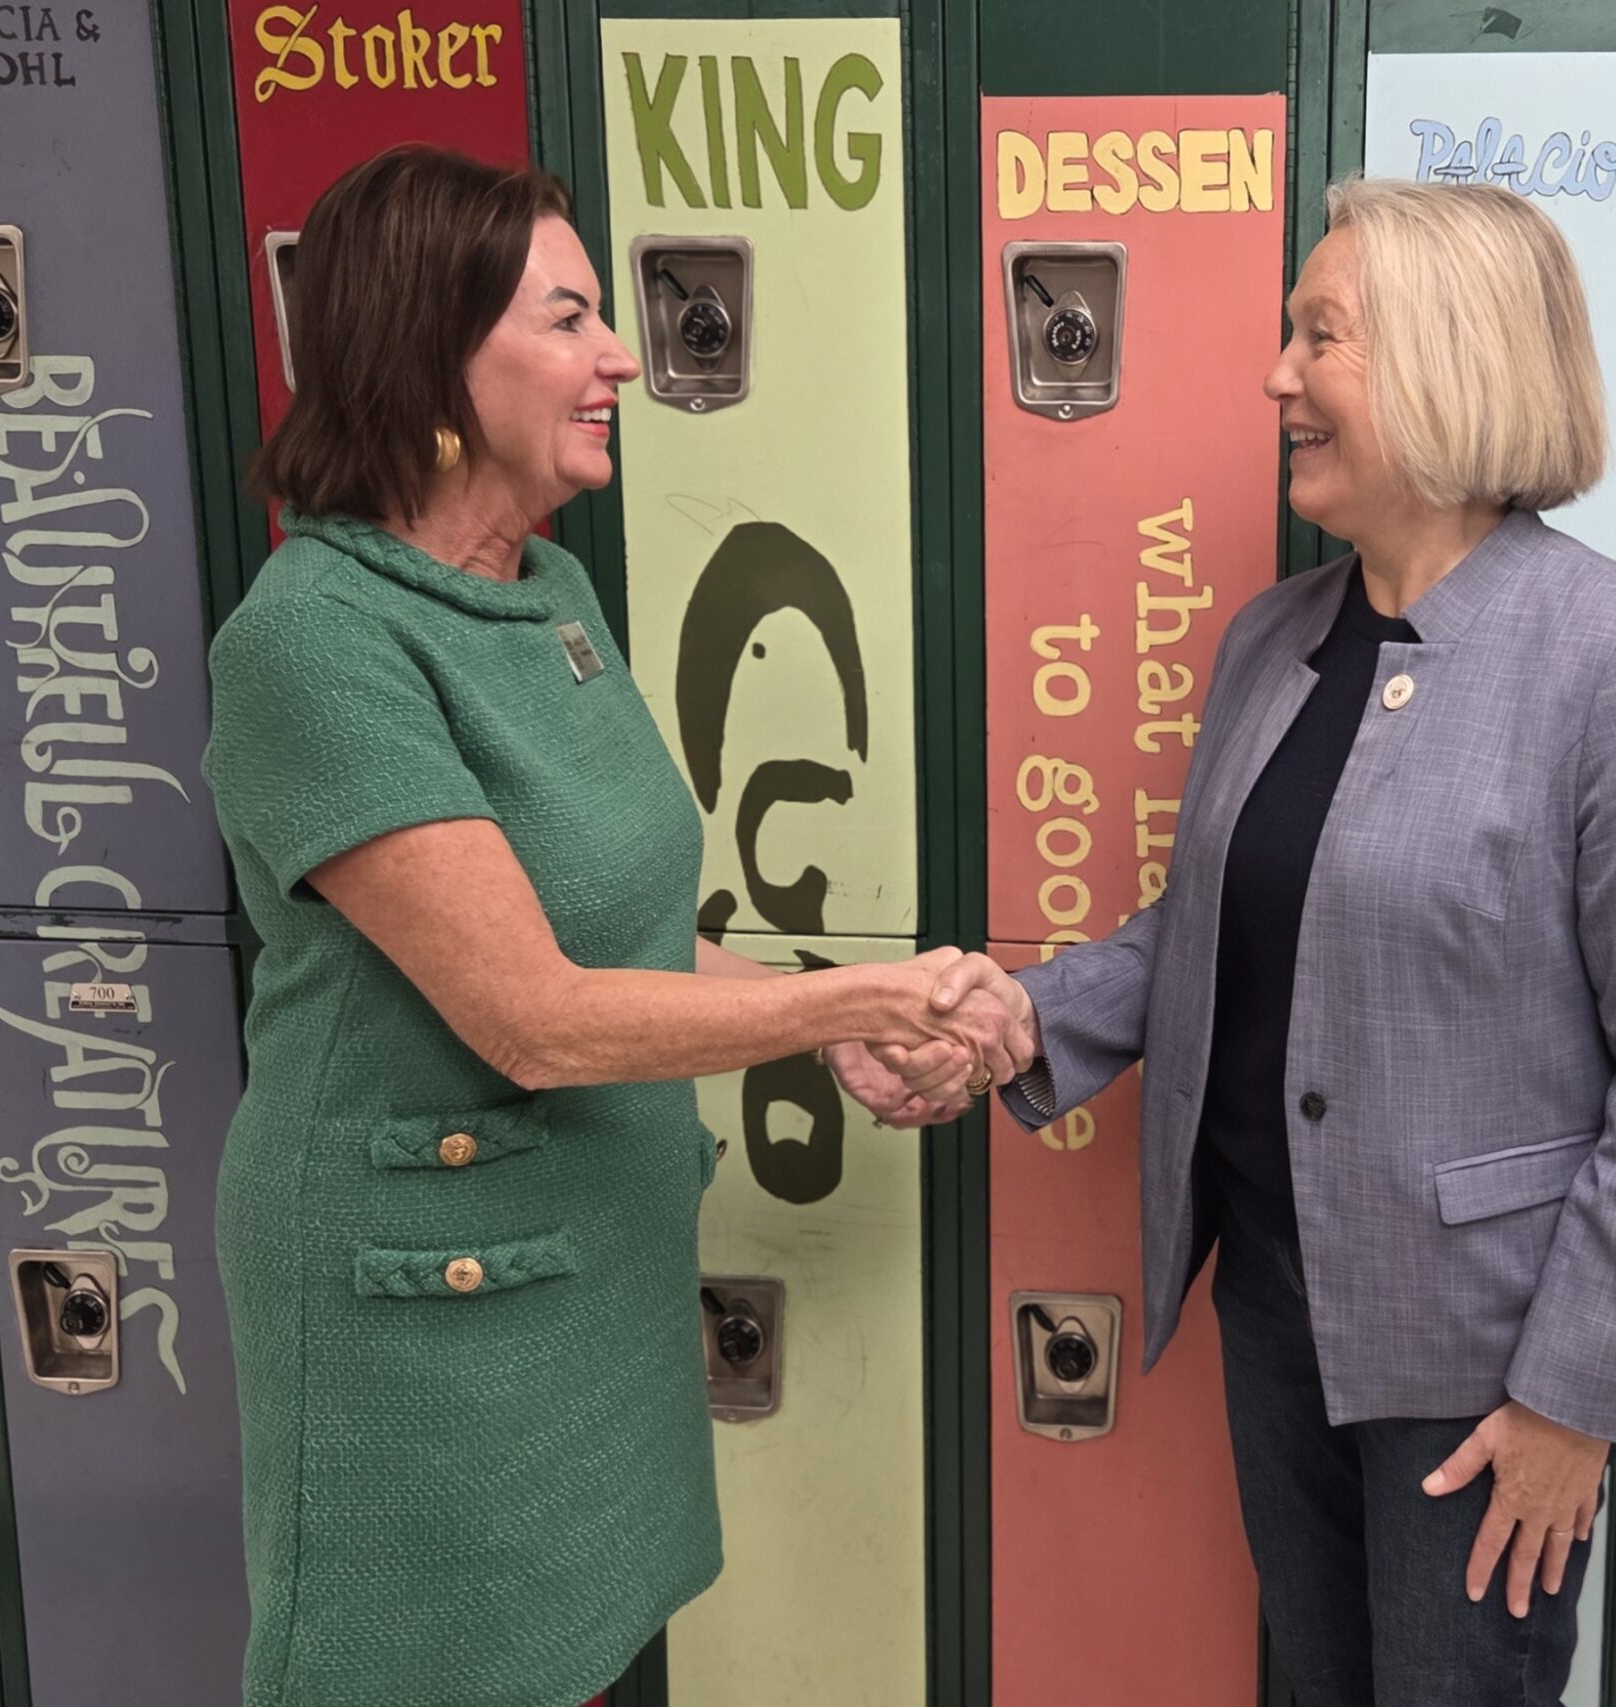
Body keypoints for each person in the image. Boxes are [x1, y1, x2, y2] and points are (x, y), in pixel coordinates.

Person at [890, 179, 1616, 1706]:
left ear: (1447, 358)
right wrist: (1013, 1021)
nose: (1276, 376)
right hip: (1280, 1299)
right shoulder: (1272, 638)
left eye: (1319, 336)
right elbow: (1211, 932)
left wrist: (1574, 1401)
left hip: (1485, 1359)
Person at [200, 145, 1029, 1707]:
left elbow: (629, 939)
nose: (622, 357)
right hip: (423, 1309)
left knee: (575, 1660)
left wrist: (855, 1012)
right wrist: (853, 1005)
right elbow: (535, 1013)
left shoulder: (550, 596)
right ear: (432, 353)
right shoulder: (316, 641)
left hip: (585, 1279)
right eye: (570, 319)